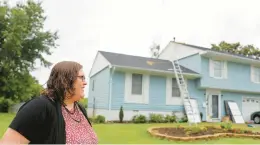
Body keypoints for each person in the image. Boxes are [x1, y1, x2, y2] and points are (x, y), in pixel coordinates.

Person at [0, 61, 97, 144]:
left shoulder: (80, 109)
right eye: (82, 78)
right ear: (66, 80)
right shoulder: (39, 107)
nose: (85, 83)